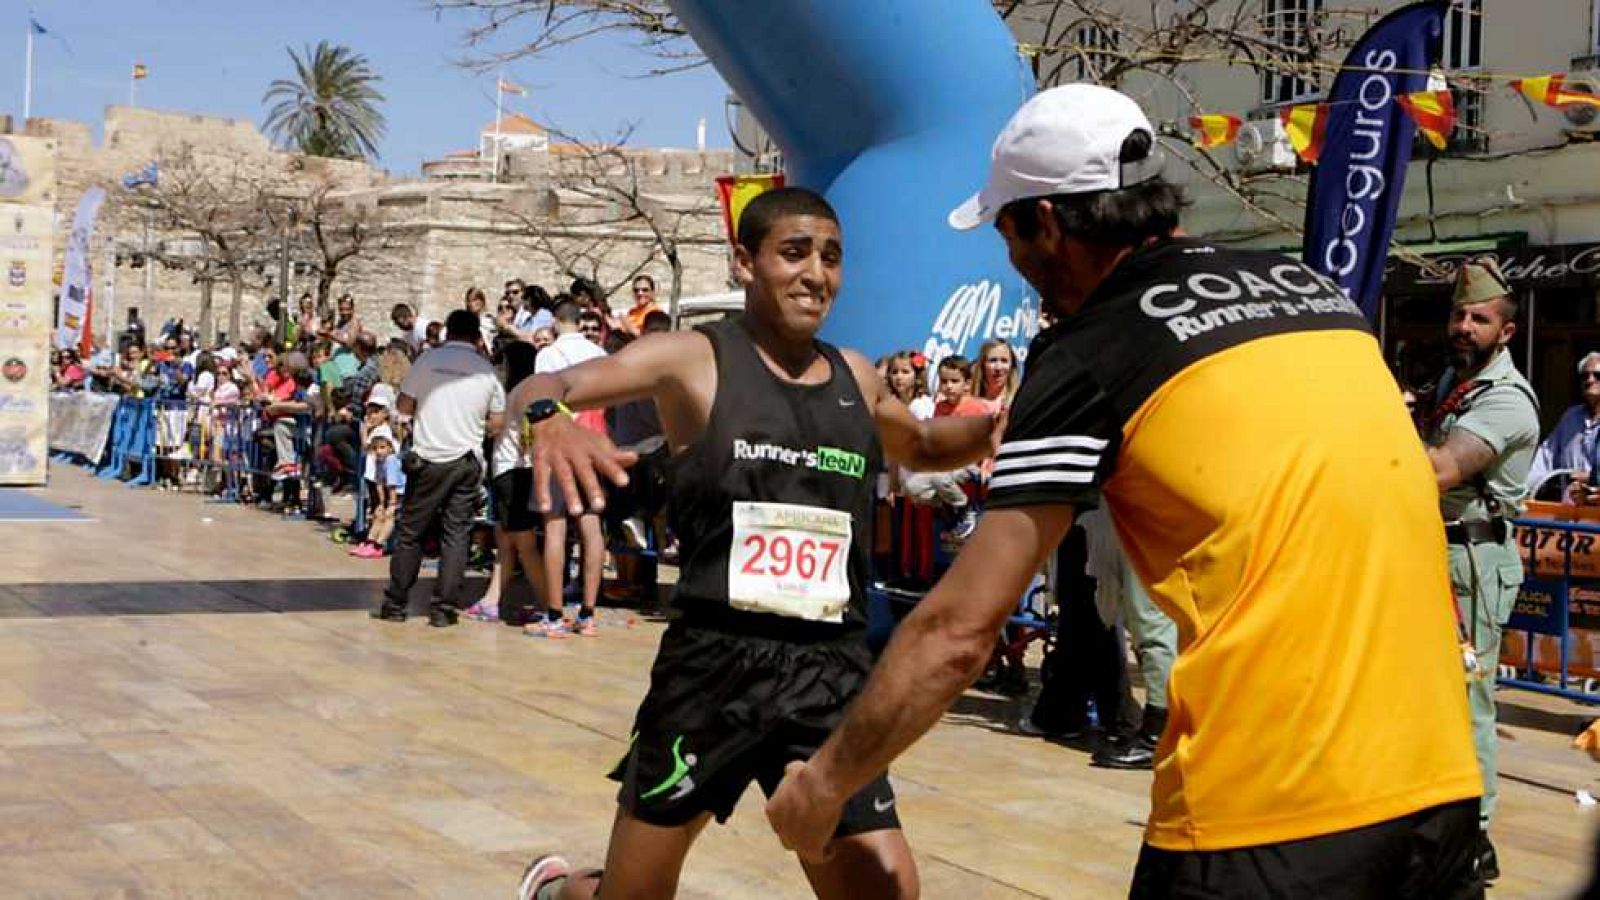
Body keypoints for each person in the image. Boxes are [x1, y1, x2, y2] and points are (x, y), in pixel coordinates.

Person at [763, 85, 1484, 899]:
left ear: (1048, 222)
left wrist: (824, 787)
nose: (1010, 260)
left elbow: (962, 630)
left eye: (1007, 230)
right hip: (1440, 790)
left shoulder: (1091, 350)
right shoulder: (1316, 294)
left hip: (1271, 814)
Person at [514, 187, 999, 900]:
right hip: (711, 670)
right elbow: (546, 382)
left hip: (827, 674)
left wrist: (995, 430)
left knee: (885, 891)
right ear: (745, 262)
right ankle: (559, 891)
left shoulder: (856, 376)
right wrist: (548, 419)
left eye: (831, 257)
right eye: (795, 253)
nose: (816, 274)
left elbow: (922, 443)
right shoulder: (690, 360)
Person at [1423, 257, 1540, 883]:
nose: (1464, 326)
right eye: (1458, 315)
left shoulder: (1507, 400)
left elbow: (1440, 470)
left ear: (1506, 331)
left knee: (1468, 701)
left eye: (1479, 318)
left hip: (1472, 561)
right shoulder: (1454, 379)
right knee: (1428, 698)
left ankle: (1477, 835)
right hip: (1433, 551)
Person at [373, 309, 506, 628]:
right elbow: (497, 421)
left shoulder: (427, 362)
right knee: (456, 535)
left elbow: (404, 406)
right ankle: (444, 608)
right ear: (476, 336)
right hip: (465, 460)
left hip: (429, 456)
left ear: (447, 333)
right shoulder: (486, 371)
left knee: (411, 533)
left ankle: (396, 603)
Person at [527, 301, 609, 639]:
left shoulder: (548, 356)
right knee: (592, 526)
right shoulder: (601, 355)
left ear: (557, 323)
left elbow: (539, 403)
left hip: (559, 446)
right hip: (593, 442)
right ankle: (588, 613)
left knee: (556, 526)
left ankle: (555, 613)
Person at [467, 341, 546, 624]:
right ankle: (491, 599)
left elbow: (516, 432)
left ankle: (549, 606)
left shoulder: (519, 394)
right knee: (504, 542)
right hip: (506, 473)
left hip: (514, 474)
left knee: (524, 545)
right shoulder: (517, 392)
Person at [1526, 351, 1600, 500]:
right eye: (1585, 376)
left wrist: (1591, 478)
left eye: (1598, 375)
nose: (1590, 380)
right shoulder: (1571, 417)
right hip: (1568, 512)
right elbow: (1546, 456)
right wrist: (1527, 488)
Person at [350, 424, 405, 558]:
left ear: (390, 448)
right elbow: (379, 482)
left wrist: (391, 504)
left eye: (382, 447)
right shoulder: (378, 461)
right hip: (389, 491)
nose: (379, 451)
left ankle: (379, 545)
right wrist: (381, 503)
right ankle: (370, 542)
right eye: (375, 448)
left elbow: (392, 484)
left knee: (389, 518)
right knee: (378, 515)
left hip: (398, 492)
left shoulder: (391, 460)